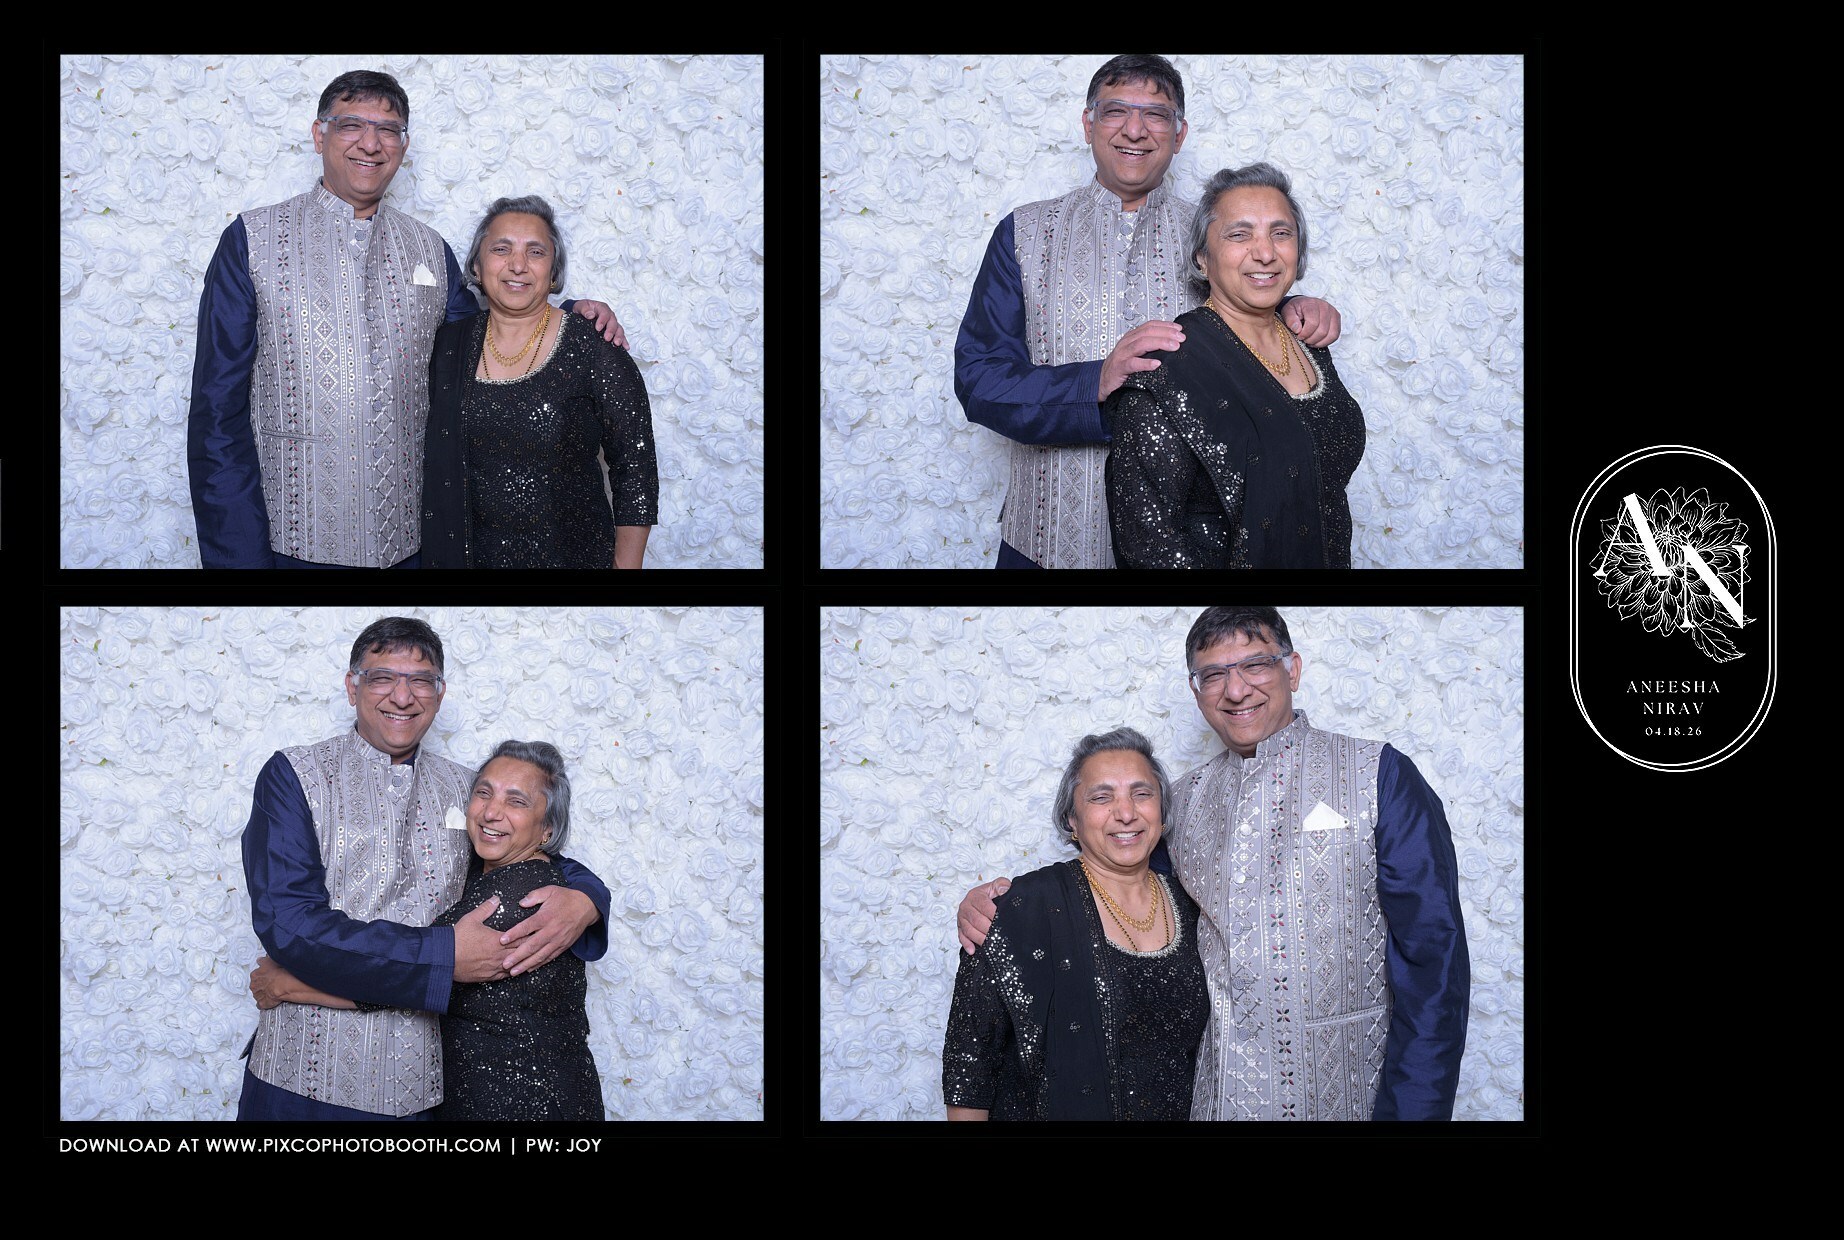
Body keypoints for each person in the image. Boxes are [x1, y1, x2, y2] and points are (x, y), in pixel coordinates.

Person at [958, 607, 1470, 1120]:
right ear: (1196, 689)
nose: (1236, 690)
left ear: (1292, 670)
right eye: (1214, 674)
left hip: (1347, 1097)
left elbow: (1434, 965)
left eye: (1255, 665)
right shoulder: (1183, 801)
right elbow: (1114, 888)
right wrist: (1001, 905)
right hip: (1214, 1103)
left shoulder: (1376, 775)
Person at [187, 69, 624, 569]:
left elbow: (482, 346)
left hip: (416, 548)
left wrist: (567, 317)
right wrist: (239, 561)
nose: (370, 143)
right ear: (319, 135)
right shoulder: (253, 240)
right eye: (351, 125)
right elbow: (216, 415)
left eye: (388, 129)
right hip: (290, 548)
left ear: (404, 145)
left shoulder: (429, 249)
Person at [952, 54, 1342, 569]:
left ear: (1180, 134)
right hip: (1042, 542)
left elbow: (1248, 312)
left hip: (1192, 549)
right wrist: (1092, 383)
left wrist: (1295, 309)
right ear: (1088, 123)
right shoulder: (1024, 233)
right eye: (1116, 110)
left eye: (1156, 115)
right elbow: (980, 380)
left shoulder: (1215, 234)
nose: (1135, 130)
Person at [237, 616, 611, 1121]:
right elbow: (289, 923)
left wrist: (587, 900)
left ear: (440, 693)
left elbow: (532, 853)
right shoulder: (294, 775)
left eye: (420, 680)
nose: (402, 696)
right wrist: (445, 956)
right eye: (382, 677)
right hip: (303, 1071)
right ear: (352, 687)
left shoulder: (468, 788)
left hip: (428, 1087)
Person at [1105, 164, 1365, 568]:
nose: (1265, 253)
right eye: (1239, 235)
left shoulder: (1308, 342)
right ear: (1203, 259)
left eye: (1281, 233)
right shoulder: (1167, 370)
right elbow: (1147, 546)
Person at [942, 728, 1207, 1120]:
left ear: (1163, 812)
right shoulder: (1023, 908)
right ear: (1072, 819)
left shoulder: (1193, 904)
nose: (1126, 813)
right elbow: (970, 1070)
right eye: (1101, 797)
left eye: (1141, 793)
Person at [421, 196, 657, 569]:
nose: (517, 265)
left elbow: (636, 469)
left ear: (553, 272)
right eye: (501, 249)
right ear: (477, 266)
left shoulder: (592, 346)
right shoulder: (448, 346)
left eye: (535, 252)